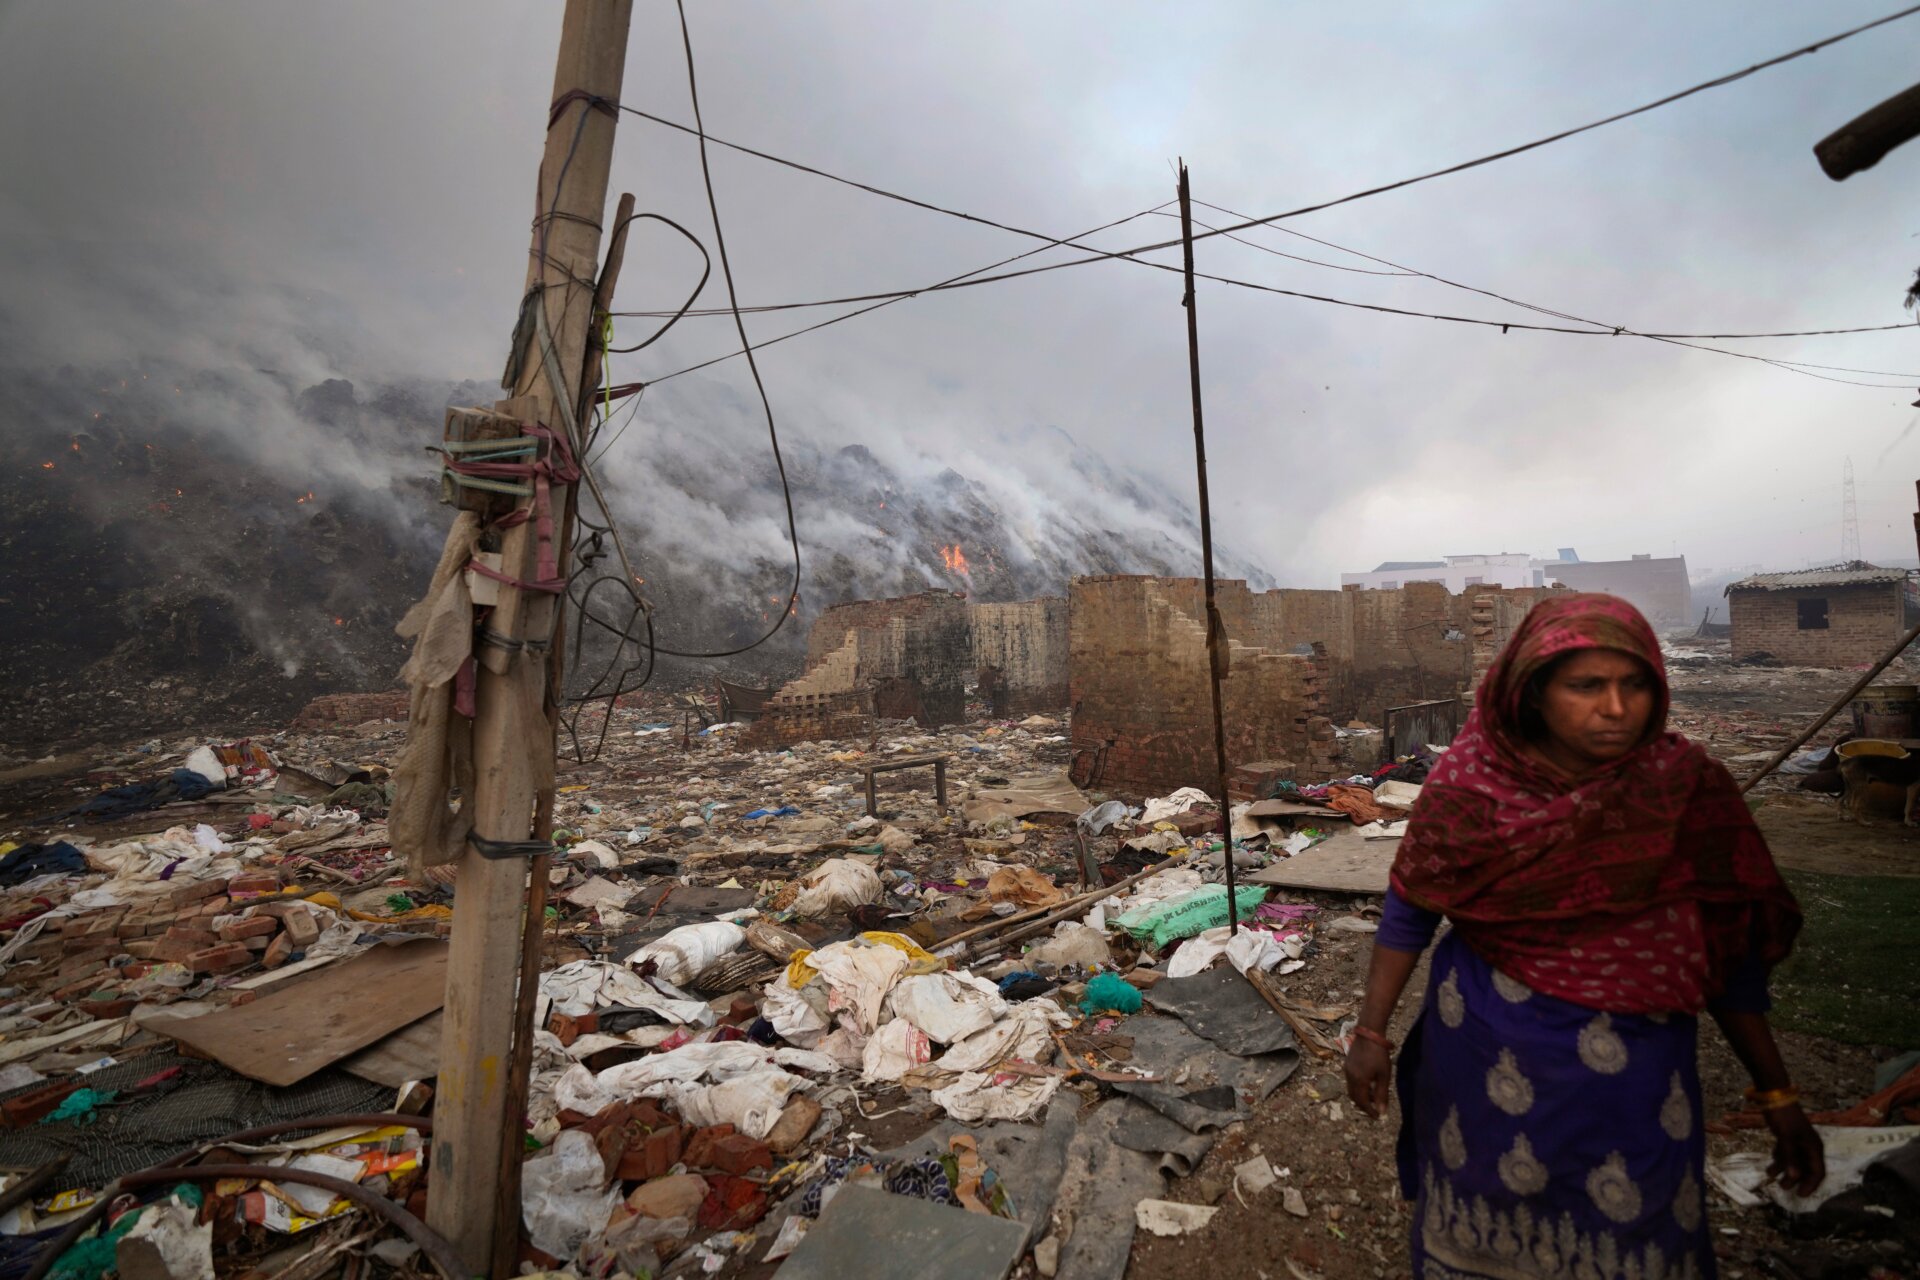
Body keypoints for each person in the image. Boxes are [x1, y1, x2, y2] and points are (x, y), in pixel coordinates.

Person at [1344, 593, 1822, 1280]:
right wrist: (1370, 1034)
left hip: (1637, 1076)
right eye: (1586, 686)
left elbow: (1728, 951)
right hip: (1486, 1051)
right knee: (1483, 1228)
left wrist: (1778, 1095)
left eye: (1634, 685)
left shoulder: (1684, 789)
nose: (1616, 708)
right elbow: (1411, 908)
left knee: (1638, 1232)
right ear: (1535, 692)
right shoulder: (1471, 784)